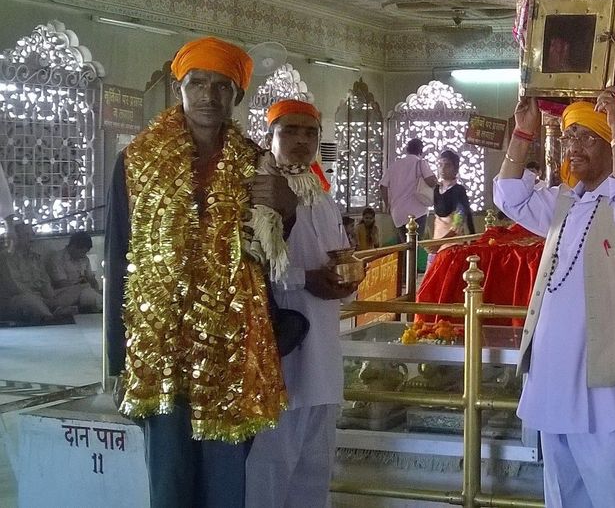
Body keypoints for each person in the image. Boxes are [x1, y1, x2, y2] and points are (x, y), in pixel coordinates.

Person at [104, 36, 295, 508]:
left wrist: (287, 212)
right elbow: (118, 258)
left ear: (237, 95)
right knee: (169, 479)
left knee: (226, 480)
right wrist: (116, 360)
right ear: (179, 89)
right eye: (197, 83)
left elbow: (272, 253)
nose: (208, 96)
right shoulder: (136, 163)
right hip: (160, 344)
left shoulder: (258, 165)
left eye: (221, 85)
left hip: (231, 344)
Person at [494, 93, 615, 508]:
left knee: (608, 483)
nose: (573, 147)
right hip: (553, 369)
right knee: (561, 488)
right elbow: (509, 197)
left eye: (588, 137)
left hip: (603, 372)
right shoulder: (565, 202)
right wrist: (522, 134)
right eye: (569, 136)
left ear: (611, 144)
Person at [246, 100, 357, 508]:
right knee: (271, 470)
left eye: (310, 133)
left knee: (314, 475)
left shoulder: (322, 196)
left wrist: (346, 282)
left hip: (323, 356)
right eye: (289, 131)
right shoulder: (257, 191)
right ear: (270, 135)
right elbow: (248, 268)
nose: (301, 141)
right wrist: (307, 279)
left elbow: (340, 257)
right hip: (280, 355)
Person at [0, 222, 77, 323]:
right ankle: (51, 317)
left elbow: (45, 281)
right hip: (16, 299)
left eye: (32, 235)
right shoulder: (5, 257)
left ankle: (54, 309)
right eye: (27, 235)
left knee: (79, 289)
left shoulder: (36, 257)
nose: (31, 239)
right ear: (16, 238)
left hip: (41, 297)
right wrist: (43, 299)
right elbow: (14, 287)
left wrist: (51, 297)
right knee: (29, 300)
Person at [379, 138, 436, 234]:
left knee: (404, 245)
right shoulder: (421, 163)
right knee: (415, 245)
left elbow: (382, 186)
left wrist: (388, 204)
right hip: (417, 212)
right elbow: (431, 182)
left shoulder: (395, 165)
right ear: (421, 150)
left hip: (398, 213)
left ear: (407, 150)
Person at [45, 231, 103, 313]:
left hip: (83, 290)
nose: (83, 255)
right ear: (73, 247)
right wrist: (82, 286)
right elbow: (61, 284)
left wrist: (95, 288)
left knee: (91, 294)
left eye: (85, 252)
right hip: (63, 293)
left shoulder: (84, 259)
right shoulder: (57, 258)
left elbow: (91, 279)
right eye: (82, 252)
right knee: (90, 295)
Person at [432, 149, 476, 240]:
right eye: (440, 165)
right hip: (437, 239)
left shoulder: (458, 191)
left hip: (453, 242)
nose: (442, 169)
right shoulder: (436, 189)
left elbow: (458, 223)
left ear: (455, 169)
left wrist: (440, 243)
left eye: (447, 165)